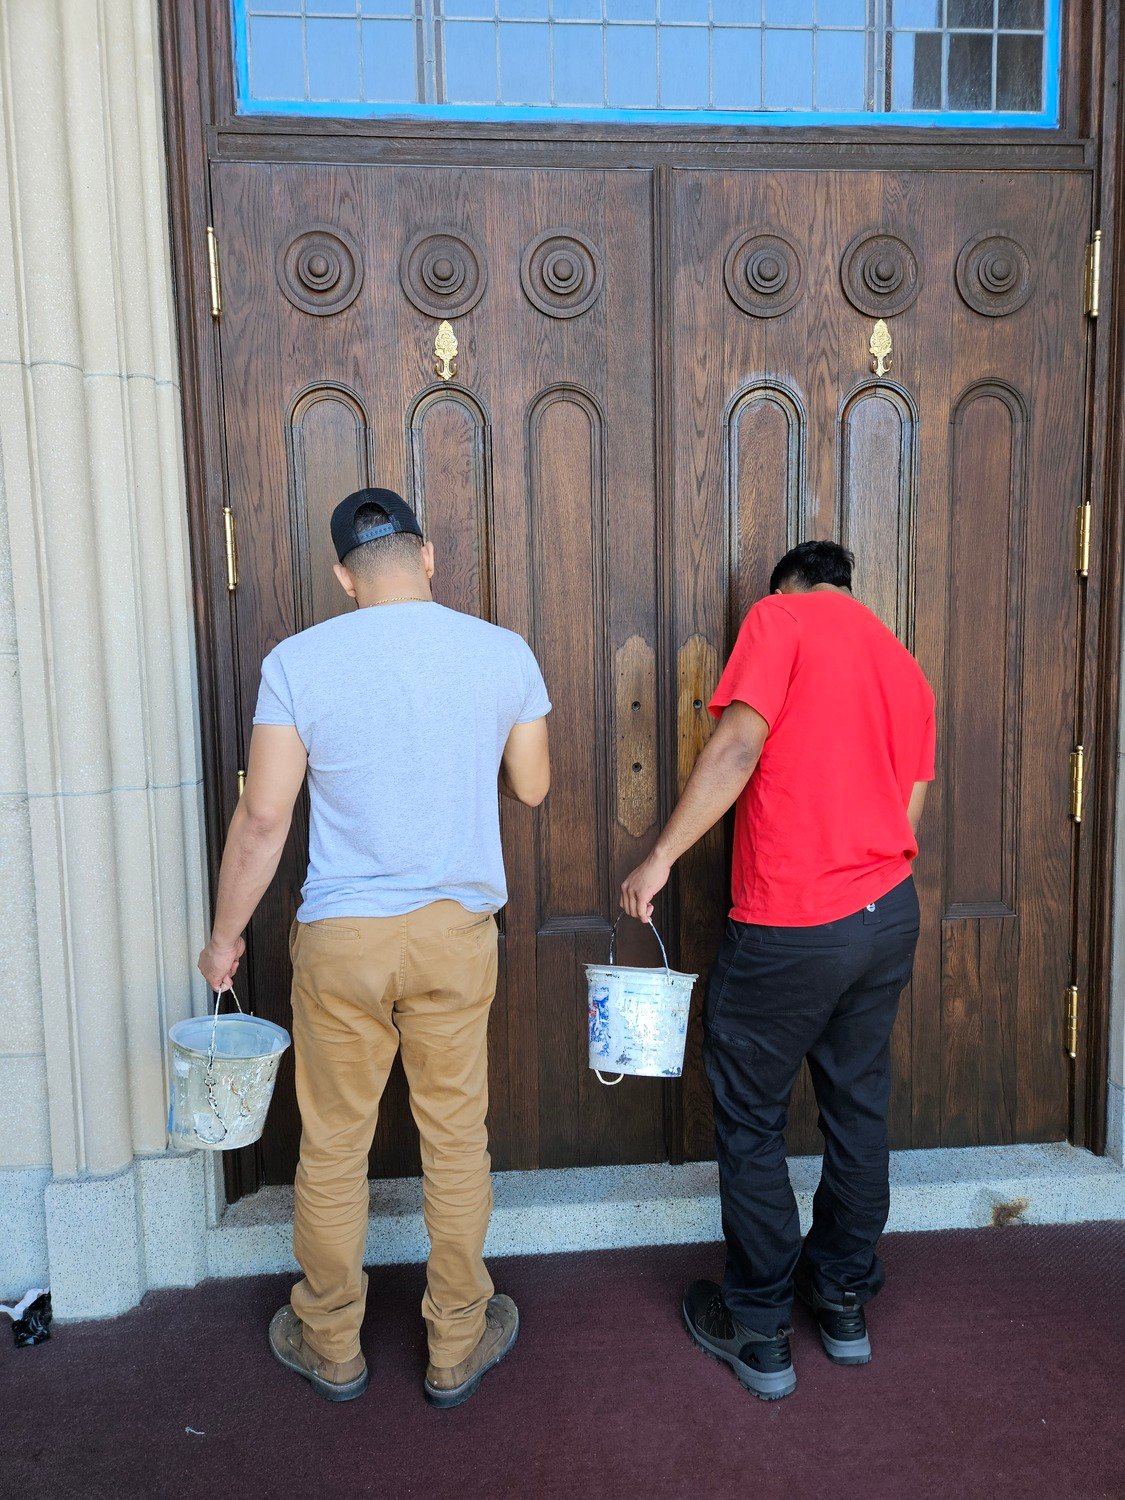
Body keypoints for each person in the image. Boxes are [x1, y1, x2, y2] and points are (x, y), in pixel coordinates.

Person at [197, 487, 550, 1408]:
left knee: (332, 1147)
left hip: (342, 938)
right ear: (427, 557)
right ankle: (455, 1344)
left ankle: (330, 1345)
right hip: (453, 932)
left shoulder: (297, 661)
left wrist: (225, 937)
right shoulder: (501, 652)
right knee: (455, 1140)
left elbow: (265, 817)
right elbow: (534, 785)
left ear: (344, 577)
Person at [621, 540, 934, 1402]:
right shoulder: (903, 665)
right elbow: (907, 812)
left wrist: (659, 860)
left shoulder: (778, 618)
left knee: (752, 1116)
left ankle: (757, 1326)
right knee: (856, 1104)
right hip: (886, 914)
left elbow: (735, 749)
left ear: (787, 586)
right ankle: (839, 1299)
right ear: (847, 585)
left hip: (794, 920)